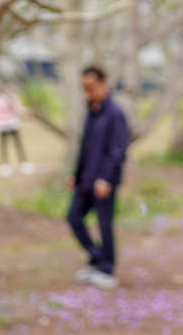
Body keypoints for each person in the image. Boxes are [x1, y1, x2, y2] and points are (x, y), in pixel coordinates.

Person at [66, 65, 130, 290]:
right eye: (84, 87)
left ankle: (107, 267)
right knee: (73, 217)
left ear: (103, 83)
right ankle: (96, 257)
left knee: (104, 225)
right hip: (85, 179)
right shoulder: (91, 112)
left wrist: (106, 178)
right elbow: (85, 147)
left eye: (91, 87)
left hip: (103, 182)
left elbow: (118, 151)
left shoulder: (115, 113)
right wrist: (75, 174)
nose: (88, 91)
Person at [0, 84, 33, 177]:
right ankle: (5, 166)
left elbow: (18, 109)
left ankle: (23, 163)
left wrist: (26, 112)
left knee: (17, 144)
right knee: (4, 145)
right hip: (2, 124)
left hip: (12, 123)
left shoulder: (12, 97)